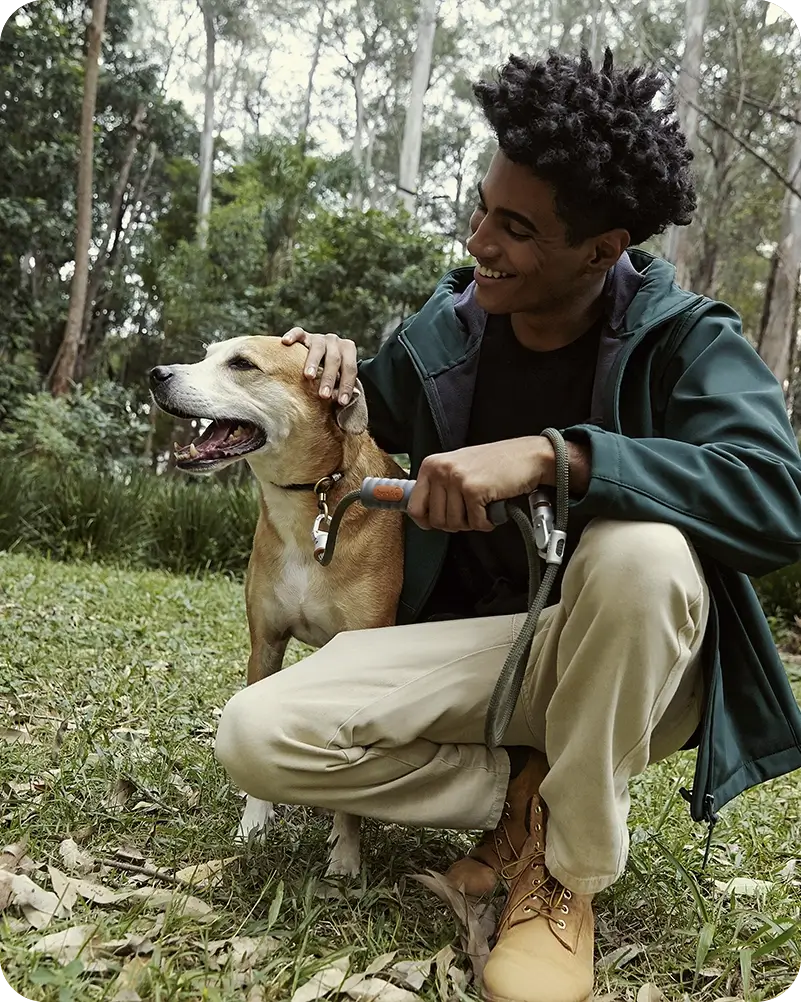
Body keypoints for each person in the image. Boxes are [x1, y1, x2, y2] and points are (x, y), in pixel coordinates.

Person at [215, 48, 801, 1002]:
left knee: (642, 553)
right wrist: (328, 361)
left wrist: (555, 456)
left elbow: (777, 496)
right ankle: (527, 796)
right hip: (491, 663)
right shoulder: (443, 332)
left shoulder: (689, 338)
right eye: (483, 208)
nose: (479, 240)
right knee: (256, 735)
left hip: (630, 658)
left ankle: (564, 873)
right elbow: (351, 422)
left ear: (602, 250)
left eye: (516, 228)